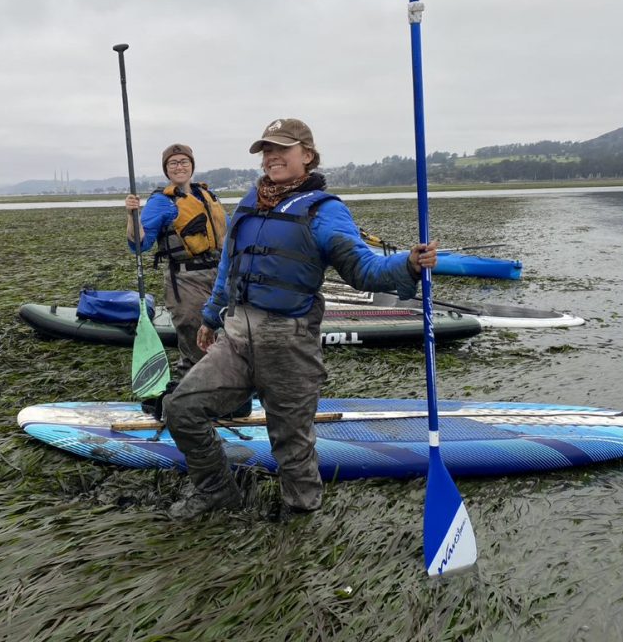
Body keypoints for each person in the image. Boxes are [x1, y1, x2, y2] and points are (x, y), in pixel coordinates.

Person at [163, 118, 438, 521]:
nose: (271, 157)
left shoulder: (325, 212)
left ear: (306, 155)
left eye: (282, 149)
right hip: (237, 337)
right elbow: (229, 267)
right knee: (182, 410)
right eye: (266, 150)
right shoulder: (248, 202)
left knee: (291, 445)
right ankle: (218, 489)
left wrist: (409, 264)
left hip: (289, 345)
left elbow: (363, 270)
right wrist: (210, 318)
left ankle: (301, 516)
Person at [125, 143, 229, 386]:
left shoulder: (207, 195)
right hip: (185, 280)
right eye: (173, 163)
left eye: (184, 162)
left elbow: (231, 235)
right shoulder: (162, 202)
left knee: (223, 340)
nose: (179, 166)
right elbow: (138, 244)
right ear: (166, 170)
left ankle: (218, 394)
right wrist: (131, 216)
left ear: (192, 166)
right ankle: (185, 399)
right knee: (196, 345)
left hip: (218, 277)